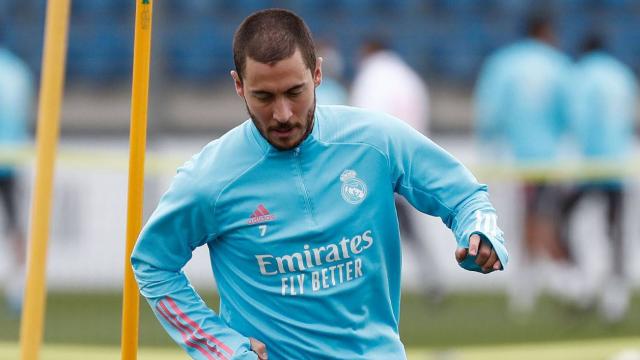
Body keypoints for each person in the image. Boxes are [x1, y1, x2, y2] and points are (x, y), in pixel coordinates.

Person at [132, 9, 507, 360]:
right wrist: (222, 347)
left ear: (318, 74)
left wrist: (479, 231)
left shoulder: (374, 141)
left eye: (294, 92)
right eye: (264, 96)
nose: (282, 114)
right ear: (239, 85)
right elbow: (152, 262)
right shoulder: (210, 178)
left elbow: (465, 196)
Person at [474, 15, 570, 311]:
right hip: (545, 157)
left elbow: (489, 112)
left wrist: (491, 148)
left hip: (513, 159)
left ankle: (533, 281)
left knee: (528, 218)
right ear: (544, 31)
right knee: (541, 219)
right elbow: (569, 113)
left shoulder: (503, 63)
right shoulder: (559, 64)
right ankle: (541, 281)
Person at [350, 39, 441, 301]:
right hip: (408, 163)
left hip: (377, 167)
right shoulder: (409, 77)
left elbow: (362, 122)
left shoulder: (371, 78)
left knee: (366, 230)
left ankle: (369, 286)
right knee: (406, 228)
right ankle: (431, 278)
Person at [561, 34, 638, 322]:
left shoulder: (580, 75)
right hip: (617, 165)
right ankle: (615, 297)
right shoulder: (622, 74)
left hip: (591, 165)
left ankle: (582, 284)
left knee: (564, 221)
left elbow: (576, 121)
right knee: (615, 231)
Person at [0, 44, 32, 314]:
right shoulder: (18, 71)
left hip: (8, 159)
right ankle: (17, 290)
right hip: (12, 159)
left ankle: (18, 290)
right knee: (14, 228)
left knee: (14, 228)